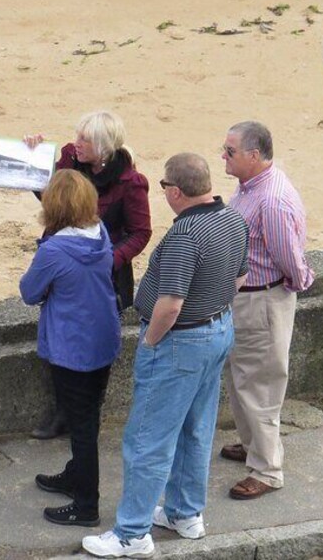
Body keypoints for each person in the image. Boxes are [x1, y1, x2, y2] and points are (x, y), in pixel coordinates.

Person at [82, 153, 248, 558]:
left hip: (180, 340)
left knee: (147, 440)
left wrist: (151, 342)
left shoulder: (185, 235)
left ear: (175, 191)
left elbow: (170, 304)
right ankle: (185, 513)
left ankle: (131, 533)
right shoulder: (233, 220)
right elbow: (240, 277)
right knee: (196, 428)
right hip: (217, 328)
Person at [24, 110, 152, 440]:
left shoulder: (131, 183)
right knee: (60, 339)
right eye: (77, 136)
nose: (75, 143)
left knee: (99, 342)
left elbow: (140, 232)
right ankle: (64, 411)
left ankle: (89, 412)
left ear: (105, 147)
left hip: (105, 271)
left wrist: (107, 260)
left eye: (85, 140)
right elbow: (53, 201)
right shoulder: (69, 158)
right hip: (66, 262)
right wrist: (34, 157)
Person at [19, 169, 121, 527]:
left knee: (82, 427)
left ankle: (86, 505)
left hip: (73, 347)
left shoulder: (56, 250)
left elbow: (29, 292)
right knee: (88, 417)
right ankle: (76, 476)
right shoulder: (100, 232)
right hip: (103, 337)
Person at [219, 121, 315, 500]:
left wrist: (292, 285)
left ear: (254, 156)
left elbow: (288, 259)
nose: (223, 156)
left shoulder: (270, 200)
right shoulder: (252, 186)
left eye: (230, 151)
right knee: (241, 378)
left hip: (260, 300)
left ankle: (267, 470)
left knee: (259, 386)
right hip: (248, 299)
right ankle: (253, 446)